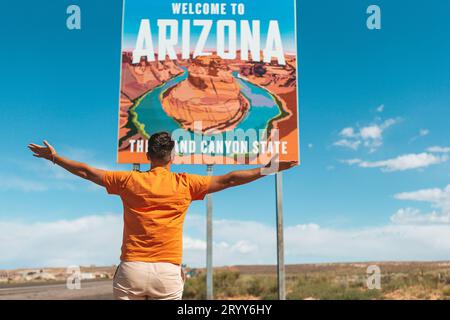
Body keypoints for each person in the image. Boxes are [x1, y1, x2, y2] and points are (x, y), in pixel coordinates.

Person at [27, 132, 296, 300]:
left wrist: (55, 158)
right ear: (172, 157)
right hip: (167, 271)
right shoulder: (185, 183)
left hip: (132, 268)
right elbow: (230, 179)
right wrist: (269, 168)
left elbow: (86, 171)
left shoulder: (128, 180)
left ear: (148, 156)